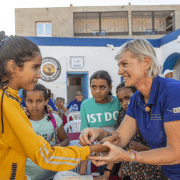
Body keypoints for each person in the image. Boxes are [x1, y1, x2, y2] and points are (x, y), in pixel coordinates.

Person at [0, 36, 118, 180]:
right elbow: (45, 156)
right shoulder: (5, 104)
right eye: (35, 67)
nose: (39, 75)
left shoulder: (9, 100)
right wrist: (92, 149)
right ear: (13, 67)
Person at [79, 38, 180, 180]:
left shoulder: (173, 92)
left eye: (124, 64)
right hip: (169, 172)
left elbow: (176, 152)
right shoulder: (136, 99)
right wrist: (98, 132)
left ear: (146, 62)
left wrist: (128, 156)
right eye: (119, 65)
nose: (120, 71)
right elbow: (120, 138)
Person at [96, 82, 161, 180]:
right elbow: (117, 142)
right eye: (121, 100)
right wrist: (107, 173)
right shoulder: (122, 114)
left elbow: (167, 150)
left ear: (138, 95)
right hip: (128, 170)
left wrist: (144, 149)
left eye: (128, 98)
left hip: (150, 170)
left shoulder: (151, 114)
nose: (124, 103)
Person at [23, 84, 70, 180]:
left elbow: (65, 139)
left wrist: (56, 147)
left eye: (39, 101)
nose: (34, 105)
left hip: (51, 173)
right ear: (25, 101)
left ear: (46, 101)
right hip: (26, 174)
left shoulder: (54, 119)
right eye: (30, 101)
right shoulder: (21, 121)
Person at [79, 70, 121, 176]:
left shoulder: (119, 102)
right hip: (102, 155)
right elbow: (85, 139)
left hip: (122, 152)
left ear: (110, 87)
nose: (97, 91)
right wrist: (82, 172)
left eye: (102, 87)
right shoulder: (85, 105)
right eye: (94, 87)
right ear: (90, 87)